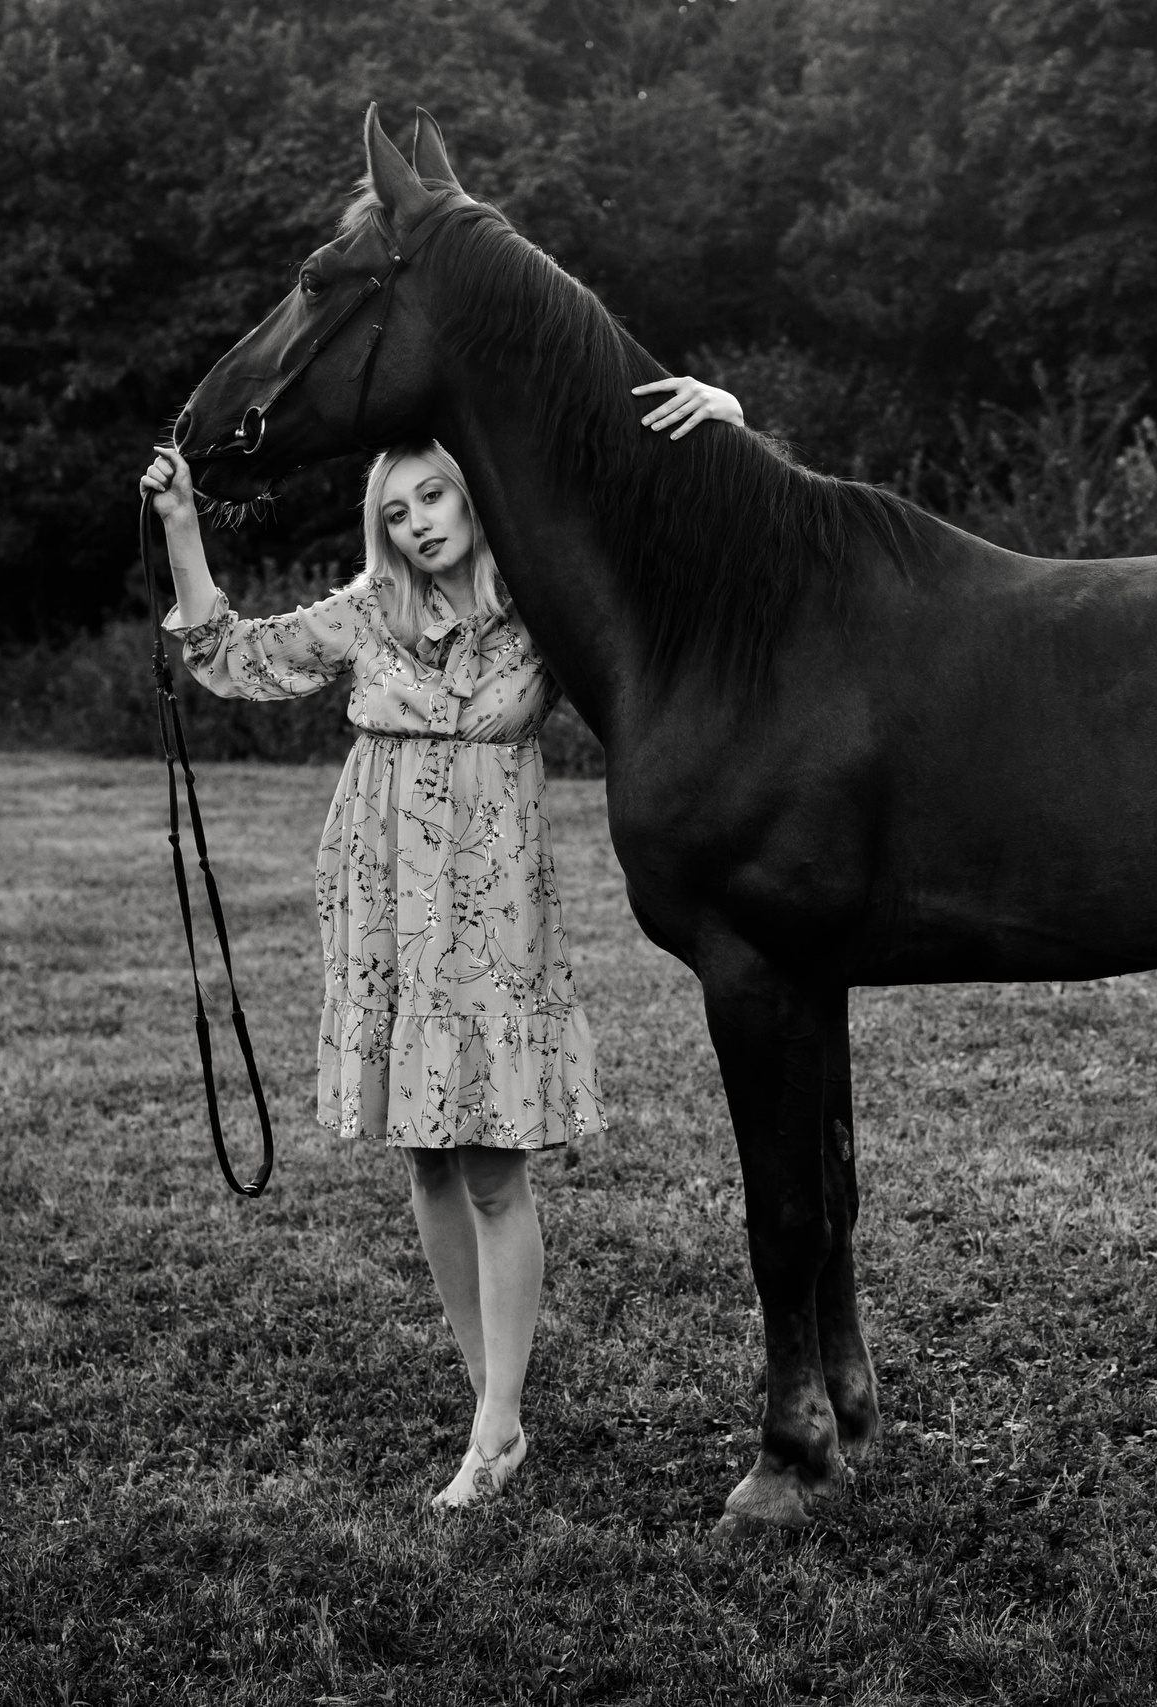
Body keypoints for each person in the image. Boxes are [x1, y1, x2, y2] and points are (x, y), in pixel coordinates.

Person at [139, 375, 745, 1509]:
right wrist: (181, 528)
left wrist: (724, 424)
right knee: (425, 1156)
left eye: (431, 498)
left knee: (495, 1168)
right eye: (397, 510)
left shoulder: (543, 604)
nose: (416, 522)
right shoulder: (368, 612)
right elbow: (225, 653)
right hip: (381, 900)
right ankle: (492, 1411)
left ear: (470, 495)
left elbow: (684, 550)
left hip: (494, 903)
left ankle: (498, 1419)